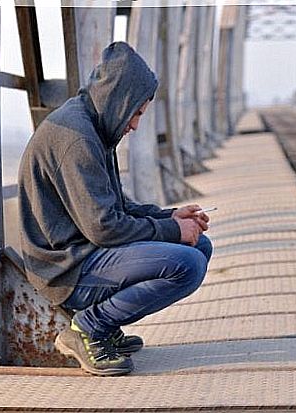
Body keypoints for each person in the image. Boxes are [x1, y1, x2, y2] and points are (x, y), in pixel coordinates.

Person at [18, 42, 213, 376]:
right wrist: (170, 231)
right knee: (189, 264)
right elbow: (104, 227)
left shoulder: (93, 124)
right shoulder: (77, 139)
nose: (135, 125)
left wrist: (170, 217)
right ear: (118, 100)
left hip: (84, 253)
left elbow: (118, 206)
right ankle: (90, 328)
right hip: (66, 269)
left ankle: (104, 327)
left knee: (198, 244)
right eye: (135, 113)